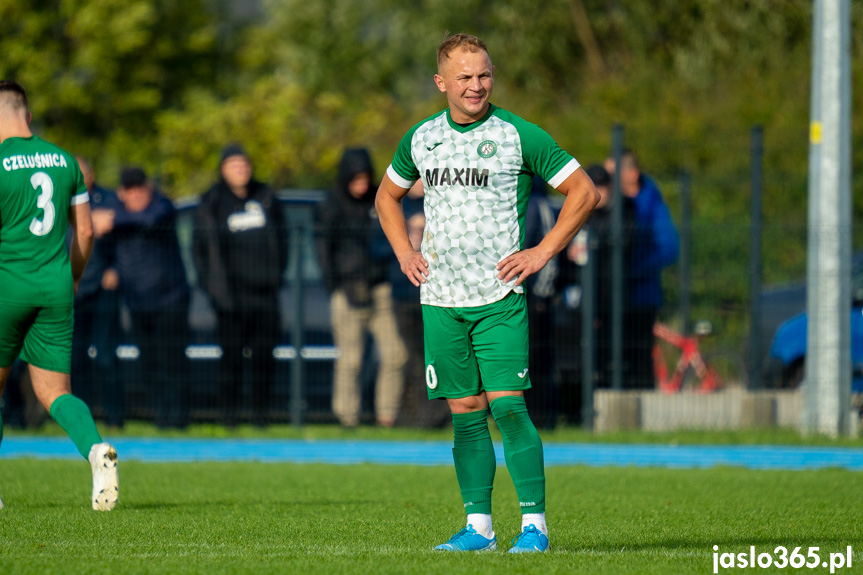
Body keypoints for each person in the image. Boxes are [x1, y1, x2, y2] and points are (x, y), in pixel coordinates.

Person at [375, 34, 598, 553]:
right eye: (464, 78)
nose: (476, 86)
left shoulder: (518, 135)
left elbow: (585, 191)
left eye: (484, 76)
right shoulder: (422, 137)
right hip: (440, 301)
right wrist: (405, 253)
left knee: (509, 408)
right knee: (467, 413)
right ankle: (478, 528)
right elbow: (388, 197)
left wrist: (542, 252)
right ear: (442, 83)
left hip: (499, 299)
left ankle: (535, 528)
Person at [0, 81, 118, 510]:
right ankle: (95, 449)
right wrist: (71, 279)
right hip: (55, 287)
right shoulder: (65, 160)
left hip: (7, 285)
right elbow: (84, 232)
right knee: (56, 392)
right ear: (27, 116)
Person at [192, 145, 287, 428]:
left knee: (263, 360)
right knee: (231, 359)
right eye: (234, 166)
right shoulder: (212, 202)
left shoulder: (267, 196)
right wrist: (213, 289)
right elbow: (200, 251)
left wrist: (276, 275)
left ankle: (260, 416)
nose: (240, 171)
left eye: (244, 165)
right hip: (230, 298)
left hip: (264, 295)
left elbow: (284, 241)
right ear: (223, 170)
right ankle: (229, 417)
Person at [92, 167, 190, 429]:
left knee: (173, 361)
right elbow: (103, 245)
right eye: (129, 189)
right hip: (136, 302)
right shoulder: (119, 212)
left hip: (171, 300)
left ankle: (178, 418)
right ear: (122, 192)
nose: (136, 195)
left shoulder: (162, 207)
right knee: (150, 363)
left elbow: (149, 219)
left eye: (140, 188)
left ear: (149, 188)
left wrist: (110, 218)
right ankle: (161, 417)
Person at [317, 148, 407, 428]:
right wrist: (337, 285)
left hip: (380, 290)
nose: (363, 183)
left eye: (366, 177)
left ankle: (387, 416)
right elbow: (323, 251)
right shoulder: (330, 205)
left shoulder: (380, 200)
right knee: (351, 361)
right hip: (347, 292)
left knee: (395, 355)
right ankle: (347, 418)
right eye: (356, 178)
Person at [606, 150, 679, 389]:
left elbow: (669, 247)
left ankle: (638, 411)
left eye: (614, 173)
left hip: (641, 296)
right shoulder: (614, 203)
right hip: (613, 294)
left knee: (638, 355)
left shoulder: (650, 203)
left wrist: (633, 270)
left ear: (632, 173)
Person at [70, 157, 123, 428]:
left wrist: (115, 269)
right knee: (74, 359)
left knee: (105, 356)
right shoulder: (54, 201)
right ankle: (80, 418)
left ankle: (114, 417)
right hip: (71, 289)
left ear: (91, 176)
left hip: (102, 290)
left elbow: (125, 238)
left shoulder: (109, 199)